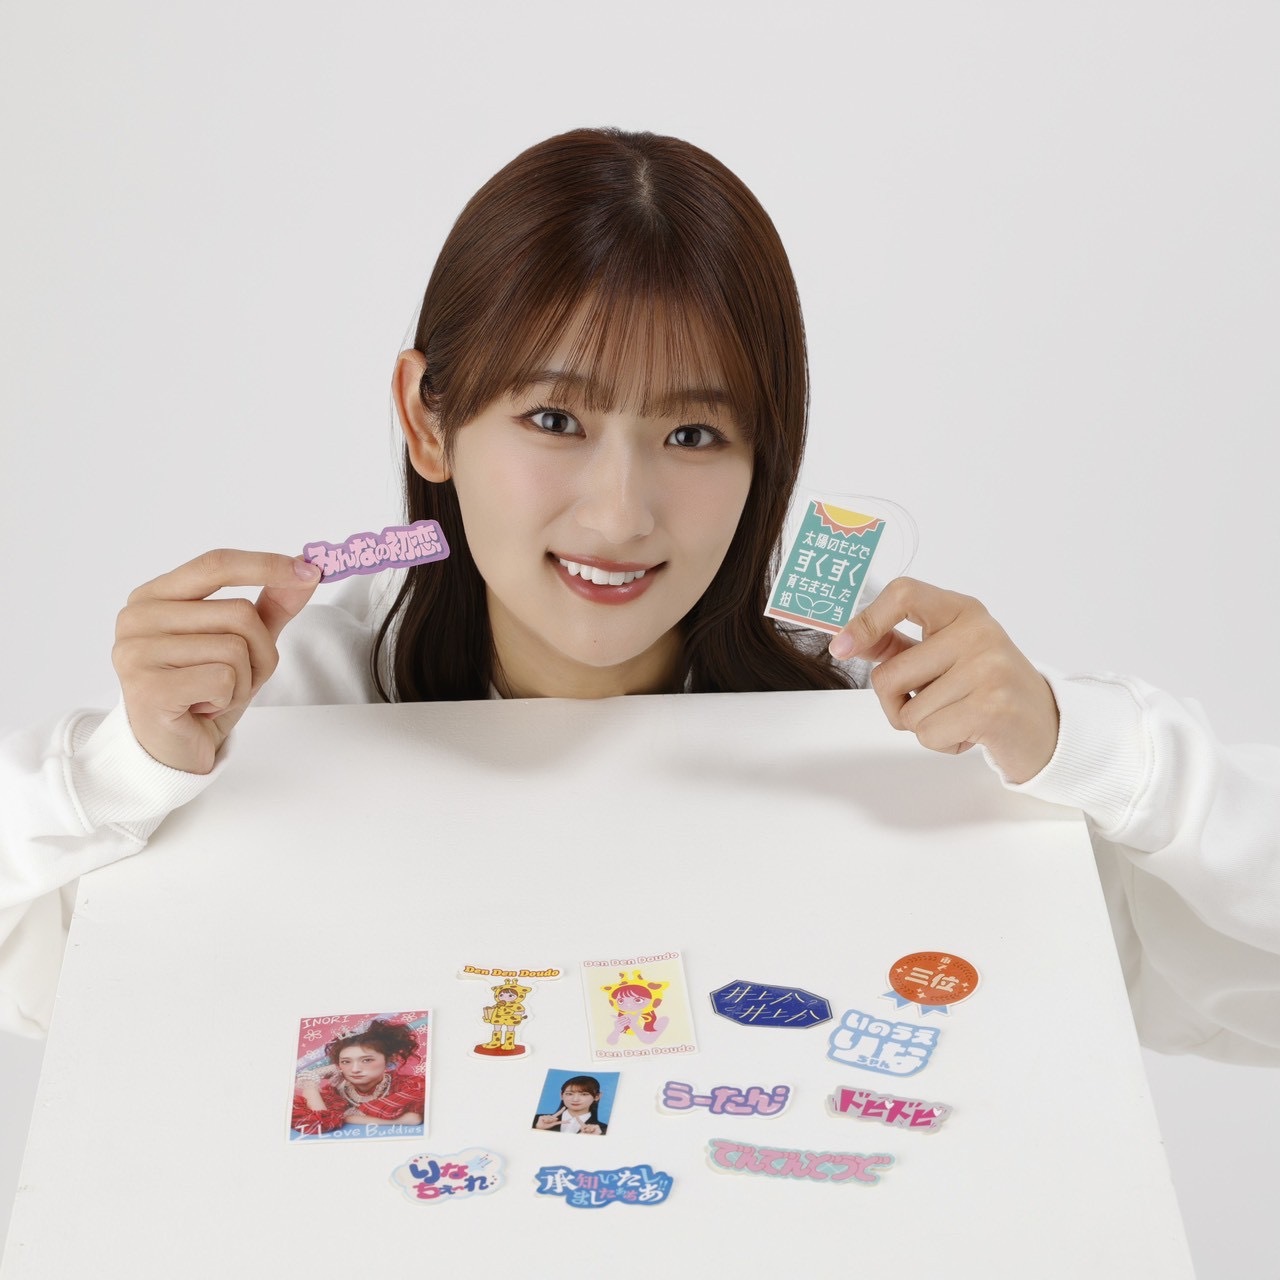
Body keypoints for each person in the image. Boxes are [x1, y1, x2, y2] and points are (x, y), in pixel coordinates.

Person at [1, 128, 1277, 1064]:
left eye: (692, 435)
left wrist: (1080, 743)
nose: (618, 514)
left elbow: (1250, 992)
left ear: (767, 456)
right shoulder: (287, 708)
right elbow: (63, 991)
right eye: (555, 418)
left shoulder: (886, 729)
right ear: (427, 417)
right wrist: (117, 772)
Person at [292, 1017, 425, 1136]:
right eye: (346, 1062)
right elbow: (320, 1123)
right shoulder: (335, 1094)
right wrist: (310, 1082)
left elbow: (414, 1119)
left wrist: (345, 1117)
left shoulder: (410, 1086)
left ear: (390, 1059)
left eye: (367, 1060)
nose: (355, 1069)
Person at [532, 1076, 608, 1135]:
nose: (575, 1099)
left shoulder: (603, 1129)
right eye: (569, 1094)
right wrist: (538, 1129)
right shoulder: (537, 1120)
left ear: (597, 1096)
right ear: (561, 1095)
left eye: (584, 1094)